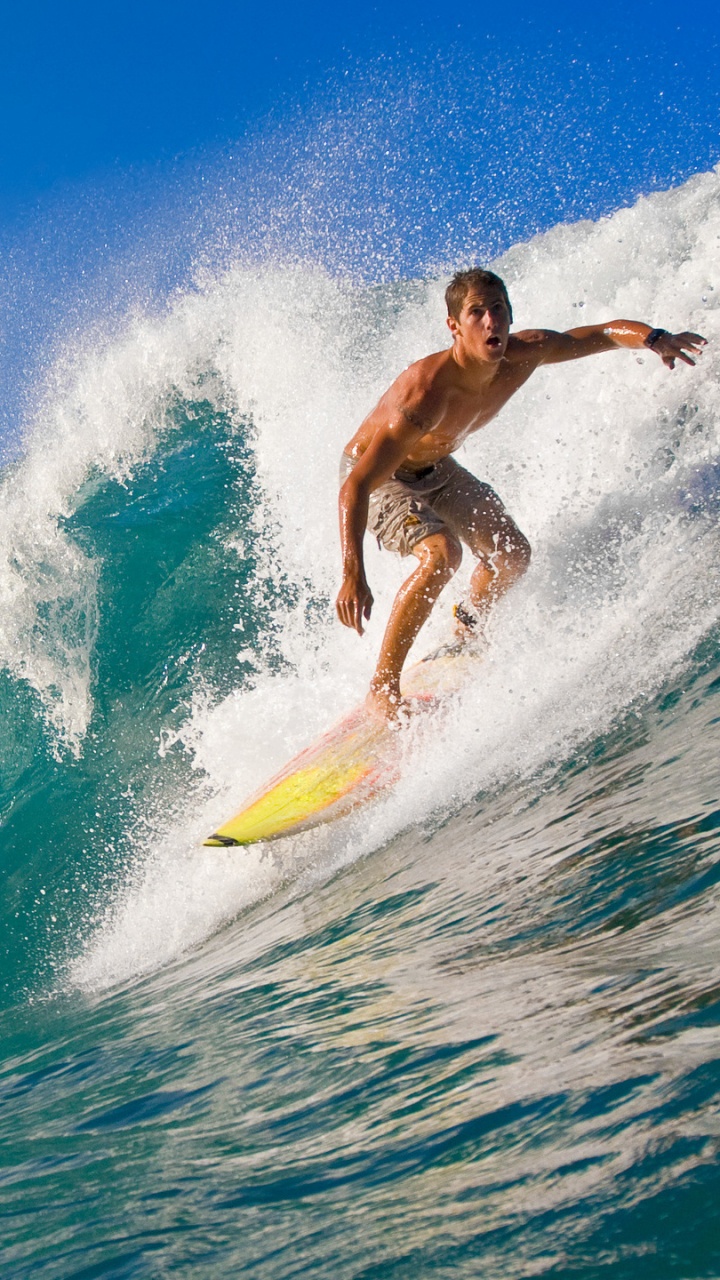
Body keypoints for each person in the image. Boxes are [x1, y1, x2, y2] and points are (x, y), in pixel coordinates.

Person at [336, 268, 707, 722]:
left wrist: (655, 338)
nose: (492, 321)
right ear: (454, 326)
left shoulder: (523, 354)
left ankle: (467, 623)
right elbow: (356, 486)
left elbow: (599, 335)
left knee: (512, 552)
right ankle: (382, 689)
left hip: (438, 467)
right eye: (477, 313)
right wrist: (353, 574)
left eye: (499, 310)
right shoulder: (426, 393)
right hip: (379, 474)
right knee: (441, 555)